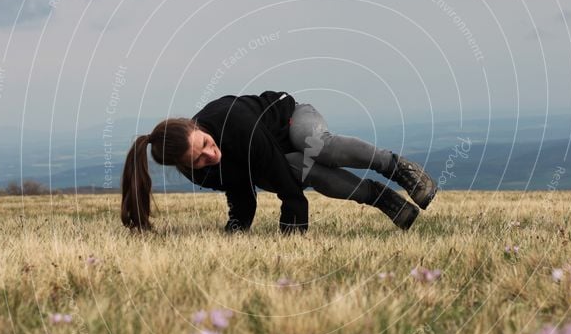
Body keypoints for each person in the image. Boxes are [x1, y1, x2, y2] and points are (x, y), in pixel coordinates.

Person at [120, 90, 437, 233]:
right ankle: (387, 201)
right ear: (185, 166)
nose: (210, 156)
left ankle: (401, 169)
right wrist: (237, 228)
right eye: (199, 161)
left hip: (291, 120)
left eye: (204, 144)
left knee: (315, 146)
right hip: (278, 158)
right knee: (303, 168)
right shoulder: (200, 174)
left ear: (196, 126)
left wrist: (293, 221)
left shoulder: (232, 121)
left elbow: (281, 180)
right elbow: (241, 188)